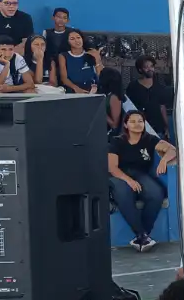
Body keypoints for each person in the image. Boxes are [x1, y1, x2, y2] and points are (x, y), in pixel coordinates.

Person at [109, 111, 176, 252]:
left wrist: (164, 160)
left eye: (140, 121)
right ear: (126, 125)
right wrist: (129, 180)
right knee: (124, 193)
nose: (137, 124)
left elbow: (172, 150)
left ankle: (142, 235)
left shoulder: (149, 140)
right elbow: (112, 167)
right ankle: (141, 234)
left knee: (156, 193)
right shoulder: (117, 141)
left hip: (140, 174)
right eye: (132, 121)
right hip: (119, 175)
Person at [125, 56, 174, 139]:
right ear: (140, 69)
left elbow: (162, 107)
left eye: (151, 66)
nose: (150, 69)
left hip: (158, 128)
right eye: (146, 67)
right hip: (140, 129)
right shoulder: (133, 87)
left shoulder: (159, 87)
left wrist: (166, 127)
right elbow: (129, 108)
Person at [57, 29, 103, 95]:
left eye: (78, 37)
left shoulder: (91, 52)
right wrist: (76, 89)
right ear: (67, 41)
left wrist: (97, 59)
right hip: (73, 89)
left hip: (93, 88)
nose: (77, 41)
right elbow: (64, 78)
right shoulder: (63, 56)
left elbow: (101, 75)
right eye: (72, 39)